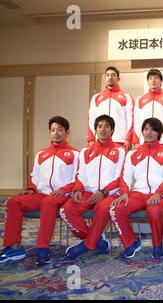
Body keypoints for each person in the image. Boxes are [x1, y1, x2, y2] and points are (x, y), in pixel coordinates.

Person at [0, 116, 79, 265]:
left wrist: (64, 189)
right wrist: (31, 187)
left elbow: (78, 178)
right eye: (53, 130)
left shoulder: (75, 154)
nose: (56, 133)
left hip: (63, 194)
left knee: (48, 203)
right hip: (41, 193)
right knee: (13, 202)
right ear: (49, 132)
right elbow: (34, 176)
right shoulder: (42, 154)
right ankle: (14, 247)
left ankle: (43, 248)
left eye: (60, 130)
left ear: (67, 132)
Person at [61, 115, 126, 259]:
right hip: (88, 192)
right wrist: (77, 189)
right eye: (100, 126)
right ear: (95, 130)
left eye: (107, 126)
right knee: (66, 210)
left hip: (110, 194)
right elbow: (80, 175)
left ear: (112, 130)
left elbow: (120, 177)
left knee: (102, 209)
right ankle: (97, 241)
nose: (103, 129)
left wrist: (104, 192)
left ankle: (86, 245)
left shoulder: (120, 151)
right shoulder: (85, 151)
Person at [110, 118, 163, 259]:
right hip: (138, 194)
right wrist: (124, 193)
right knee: (116, 208)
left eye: (153, 129)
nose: (149, 132)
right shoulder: (133, 153)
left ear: (159, 133)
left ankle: (157, 246)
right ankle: (131, 243)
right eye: (146, 129)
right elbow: (125, 176)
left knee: (154, 210)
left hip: (160, 195)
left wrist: (158, 193)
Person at [87, 66, 134, 149]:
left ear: (118, 79)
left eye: (113, 75)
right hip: (100, 140)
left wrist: (129, 139)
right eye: (107, 75)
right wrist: (91, 139)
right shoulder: (96, 97)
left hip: (120, 140)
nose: (110, 77)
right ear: (105, 79)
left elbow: (131, 119)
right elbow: (91, 120)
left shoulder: (126, 97)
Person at [133, 69, 163, 149]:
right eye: (150, 78)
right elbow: (136, 122)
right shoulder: (140, 99)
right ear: (148, 82)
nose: (153, 80)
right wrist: (136, 141)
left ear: (161, 81)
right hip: (143, 142)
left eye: (156, 78)